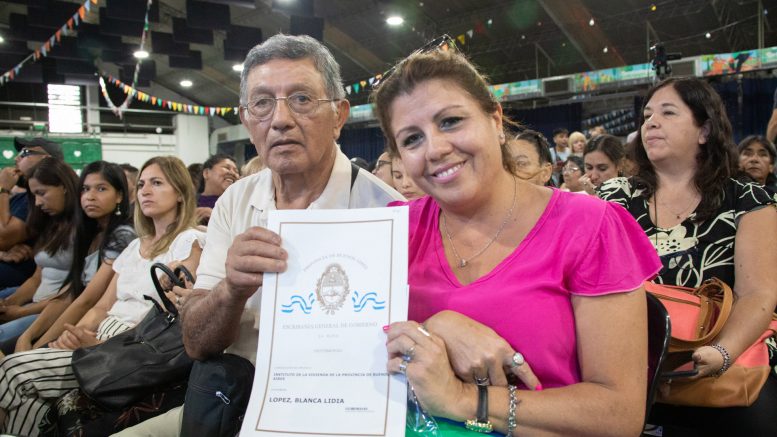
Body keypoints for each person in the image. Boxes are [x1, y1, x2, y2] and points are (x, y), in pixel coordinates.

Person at [113, 33, 404, 437]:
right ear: (247, 121)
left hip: (342, 412)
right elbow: (196, 344)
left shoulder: (385, 211)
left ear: (339, 115)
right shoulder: (235, 201)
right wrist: (231, 290)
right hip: (232, 402)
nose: (280, 119)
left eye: (301, 99)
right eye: (262, 103)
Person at [372, 46, 660, 436]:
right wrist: (432, 328)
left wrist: (463, 400)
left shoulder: (588, 226)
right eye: (412, 139)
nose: (435, 149)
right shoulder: (392, 229)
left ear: (495, 119)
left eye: (451, 121)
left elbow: (618, 414)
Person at [597, 77, 777, 436]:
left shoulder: (747, 198)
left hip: (727, 358)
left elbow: (758, 292)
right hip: (632, 363)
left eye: (668, 113)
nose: (651, 123)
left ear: (704, 130)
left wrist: (722, 353)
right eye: (647, 115)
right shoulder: (615, 197)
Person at [0, 156, 204, 436]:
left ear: (180, 193)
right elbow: (101, 306)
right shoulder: (134, 245)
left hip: (133, 349)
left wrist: (100, 344)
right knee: (30, 399)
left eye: (157, 183)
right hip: (99, 340)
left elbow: (167, 321)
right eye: (141, 184)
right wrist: (74, 334)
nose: (145, 191)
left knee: (12, 371)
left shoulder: (190, 241)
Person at [13, 161, 135, 353]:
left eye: (101, 189)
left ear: (119, 195)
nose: (90, 197)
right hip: (73, 317)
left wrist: (36, 349)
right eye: (85, 189)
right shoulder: (90, 231)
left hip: (94, 326)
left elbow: (87, 300)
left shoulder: (123, 235)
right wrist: (27, 336)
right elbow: (69, 294)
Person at [0, 158, 80, 347]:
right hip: (34, 304)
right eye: (34, 195)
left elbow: (75, 293)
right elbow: (37, 278)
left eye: (42, 193)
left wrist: (20, 312)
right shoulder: (51, 223)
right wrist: (9, 304)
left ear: (64, 187)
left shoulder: (84, 228)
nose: (37, 202)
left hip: (53, 311)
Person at [0, 138, 64, 288]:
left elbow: (2, 238)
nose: (16, 158)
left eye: (25, 153)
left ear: (46, 160)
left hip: (18, 281)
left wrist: (3, 188)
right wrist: (2, 253)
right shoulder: (20, 197)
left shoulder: (38, 201)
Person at [195, 154, 239, 225]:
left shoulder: (238, 203)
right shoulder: (188, 202)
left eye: (236, 171)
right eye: (227, 168)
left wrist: (215, 216)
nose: (233, 173)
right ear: (206, 173)